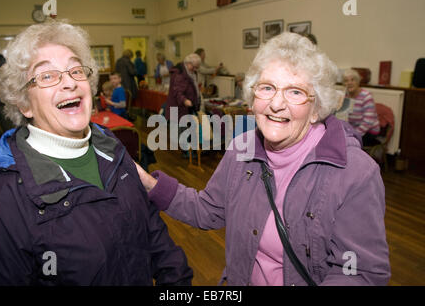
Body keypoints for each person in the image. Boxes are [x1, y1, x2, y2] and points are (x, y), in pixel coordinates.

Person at [136, 32, 390, 286]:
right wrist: (149, 183)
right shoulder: (241, 150)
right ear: (252, 97)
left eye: (295, 92)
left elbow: (360, 273)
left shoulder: (354, 172)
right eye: (267, 88)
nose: (276, 104)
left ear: (316, 109)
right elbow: (208, 209)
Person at [0, 20, 193, 286]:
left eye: (76, 70)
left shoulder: (110, 147)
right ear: (24, 104)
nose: (69, 82)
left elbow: (154, 233)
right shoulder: (0, 200)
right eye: (47, 75)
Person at [164, 53, 201, 158]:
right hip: (180, 106)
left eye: (196, 67)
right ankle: (186, 152)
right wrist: (184, 100)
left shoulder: (190, 72)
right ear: (188, 63)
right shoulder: (179, 74)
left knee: (189, 128)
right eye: (194, 67)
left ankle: (190, 150)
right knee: (183, 129)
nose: (195, 69)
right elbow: (177, 91)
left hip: (189, 106)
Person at [343, 69, 380, 146]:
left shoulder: (366, 96)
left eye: (352, 80)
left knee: (348, 144)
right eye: (346, 81)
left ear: (358, 82)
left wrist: (353, 135)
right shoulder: (345, 96)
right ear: (344, 84)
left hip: (369, 131)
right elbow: (343, 116)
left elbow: (368, 122)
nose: (349, 83)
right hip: (353, 129)